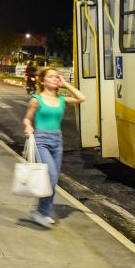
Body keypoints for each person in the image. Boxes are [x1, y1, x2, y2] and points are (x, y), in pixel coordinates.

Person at [22, 68, 86, 228]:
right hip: (41, 140)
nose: (55, 79)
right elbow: (27, 119)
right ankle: (41, 212)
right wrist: (28, 127)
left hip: (57, 140)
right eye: (51, 77)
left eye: (57, 77)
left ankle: (42, 212)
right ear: (42, 81)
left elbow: (82, 98)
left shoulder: (61, 99)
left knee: (54, 179)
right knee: (50, 175)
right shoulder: (36, 99)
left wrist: (65, 84)